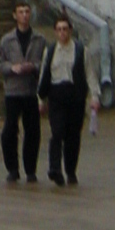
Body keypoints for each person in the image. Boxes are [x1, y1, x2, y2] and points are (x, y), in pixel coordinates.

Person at [38, 15, 100, 186]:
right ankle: (54, 169)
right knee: (57, 132)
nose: (62, 33)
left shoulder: (81, 51)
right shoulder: (50, 52)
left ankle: (71, 170)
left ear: (70, 31)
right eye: (59, 30)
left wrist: (94, 97)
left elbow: (90, 75)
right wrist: (40, 99)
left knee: (73, 136)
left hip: (75, 96)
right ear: (55, 32)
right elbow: (44, 75)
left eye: (65, 29)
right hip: (56, 95)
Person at [0, 2, 45, 184]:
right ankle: (12, 168)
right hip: (13, 91)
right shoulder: (7, 40)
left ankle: (30, 169)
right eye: (21, 12)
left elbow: (45, 63)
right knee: (9, 130)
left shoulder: (39, 39)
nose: (24, 15)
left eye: (27, 12)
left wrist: (33, 67)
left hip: (31, 90)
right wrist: (11, 67)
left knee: (33, 131)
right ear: (15, 15)